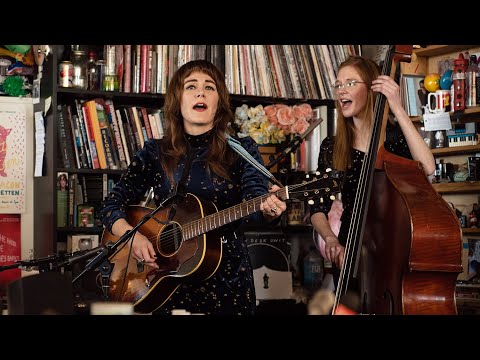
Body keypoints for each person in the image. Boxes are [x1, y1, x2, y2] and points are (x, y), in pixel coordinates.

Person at [98, 59, 286, 315]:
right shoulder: (156, 152)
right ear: (178, 100)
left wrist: (268, 209)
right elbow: (110, 205)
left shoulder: (242, 149)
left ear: (219, 102)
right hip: (165, 280)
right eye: (191, 87)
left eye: (209, 87)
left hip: (227, 280)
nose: (201, 92)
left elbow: (255, 203)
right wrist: (133, 236)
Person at [309, 55, 435, 293]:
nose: (341, 90)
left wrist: (396, 106)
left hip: (394, 250)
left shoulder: (395, 139)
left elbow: (428, 168)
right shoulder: (332, 146)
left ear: (372, 88)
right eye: (338, 84)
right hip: (349, 252)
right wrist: (332, 240)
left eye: (350, 83)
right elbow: (316, 207)